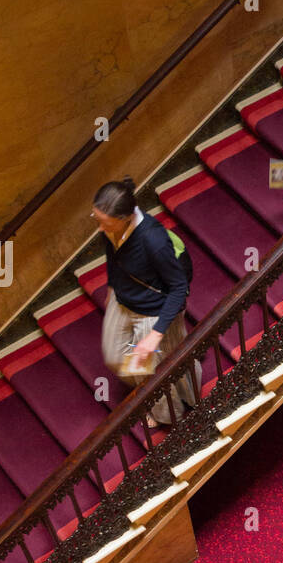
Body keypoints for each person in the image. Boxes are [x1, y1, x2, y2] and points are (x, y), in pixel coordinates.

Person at [94, 178, 200, 428]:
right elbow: (113, 255)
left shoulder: (153, 240)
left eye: (104, 222)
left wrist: (155, 334)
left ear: (125, 218)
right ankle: (180, 373)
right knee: (115, 356)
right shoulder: (111, 229)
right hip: (124, 301)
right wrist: (112, 285)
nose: (99, 228)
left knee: (154, 372)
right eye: (96, 219)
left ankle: (168, 416)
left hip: (154, 312)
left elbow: (178, 288)